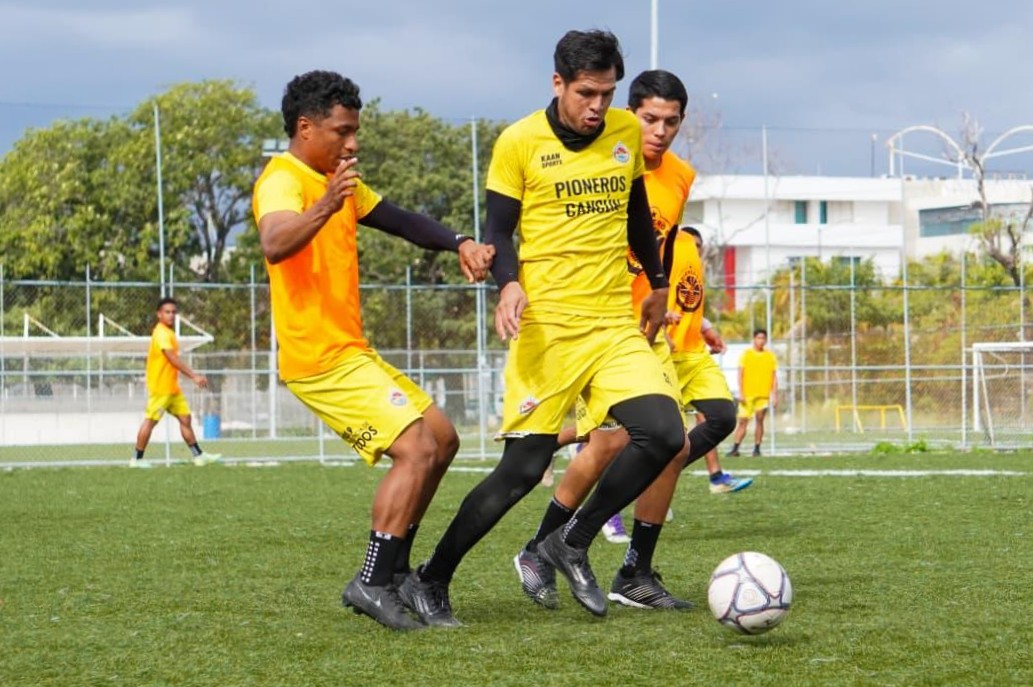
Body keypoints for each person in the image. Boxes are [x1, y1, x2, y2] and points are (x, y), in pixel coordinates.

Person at [400, 30, 685, 625]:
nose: (597, 107)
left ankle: (570, 540)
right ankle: (431, 578)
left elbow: (636, 212)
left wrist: (658, 282)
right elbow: (498, 231)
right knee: (523, 471)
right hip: (547, 328)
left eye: (607, 94)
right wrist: (508, 282)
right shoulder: (519, 142)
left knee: (663, 433)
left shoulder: (624, 133)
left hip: (611, 322)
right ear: (558, 83)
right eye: (587, 93)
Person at [251, 70, 494, 631]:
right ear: (306, 127)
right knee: (415, 450)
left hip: (351, 349)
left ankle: (399, 569)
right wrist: (326, 204)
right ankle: (372, 580)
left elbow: (400, 220)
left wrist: (459, 242)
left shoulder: (334, 178)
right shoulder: (283, 179)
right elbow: (275, 243)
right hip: (319, 358)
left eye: (355, 131)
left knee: (442, 439)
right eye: (343, 131)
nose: (353, 143)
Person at [512, 70, 740, 612]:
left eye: (671, 122)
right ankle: (543, 549)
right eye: (649, 119)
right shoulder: (599, 160)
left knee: (702, 426)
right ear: (627, 115)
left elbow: (661, 245)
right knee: (614, 444)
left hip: (662, 331)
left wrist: (685, 310)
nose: (660, 131)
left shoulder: (681, 176)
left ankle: (629, 567)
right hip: (609, 328)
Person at [133, 297, 222, 468]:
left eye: (173, 312)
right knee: (150, 422)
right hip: (161, 388)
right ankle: (136, 459)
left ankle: (199, 456)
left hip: (172, 389)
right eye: (167, 312)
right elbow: (172, 358)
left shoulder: (169, 332)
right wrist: (194, 376)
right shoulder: (161, 333)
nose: (171, 315)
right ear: (159, 314)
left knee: (185, 419)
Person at [727, 329, 779, 457]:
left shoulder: (770, 356)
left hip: (763, 395)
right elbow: (740, 374)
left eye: (763, 338)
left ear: (766, 340)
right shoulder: (746, 354)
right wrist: (741, 393)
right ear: (754, 339)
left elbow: (774, 377)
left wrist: (774, 395)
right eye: (758, 338)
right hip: (747, 394)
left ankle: (757, 448)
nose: (761, 341)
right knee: (743, 421)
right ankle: (735, 448)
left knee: (759, 420)